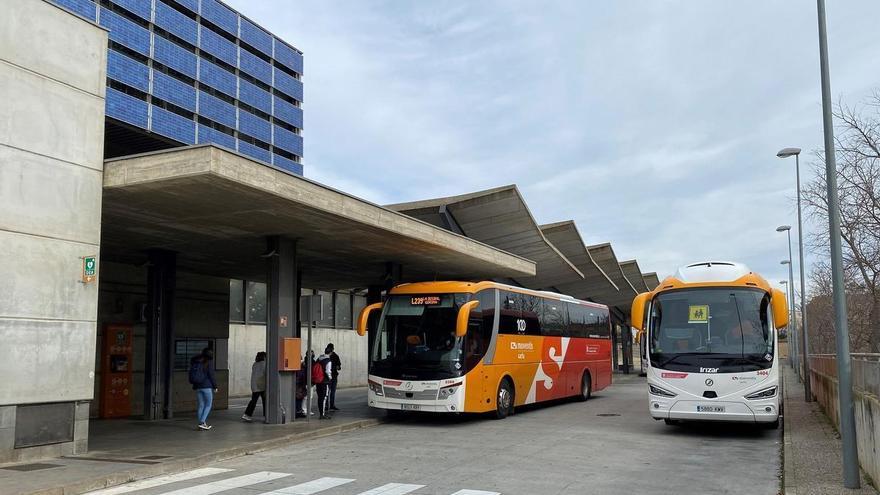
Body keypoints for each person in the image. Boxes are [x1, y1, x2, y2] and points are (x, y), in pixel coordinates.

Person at [189, 348, 218, 430]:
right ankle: (202, 422)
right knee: (208, 405)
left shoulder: (195, 361)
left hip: (198, 386)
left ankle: (201, 424)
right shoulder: (208, 362)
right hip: (207, 387)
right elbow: (211, 375)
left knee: (201, 405)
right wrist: (215, 386)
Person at [241, 351, 267, 422]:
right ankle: (266, 416)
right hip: (261, 385)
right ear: (264, 357)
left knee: (253, 401)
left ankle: (246, 415)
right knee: (265, 401)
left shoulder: (255, 364)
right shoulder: (264, 364)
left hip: (254, 385)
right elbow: (266, 374)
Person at [315, 349, 333, 419]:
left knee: (320, 397)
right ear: (331, 352)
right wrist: (330, 378)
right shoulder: (328, 361)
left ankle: (321, 413)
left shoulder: (319, 359)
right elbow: (328, 371)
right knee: (324, 398)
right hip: (324, 381)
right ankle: (322, 414)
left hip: (318, 381)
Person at [325, 344, 342, 411]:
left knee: (327, 392)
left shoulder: (326, 357)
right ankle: (331, 405)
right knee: (332, 391)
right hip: (333, 376)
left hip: (328, 377)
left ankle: (326, 405)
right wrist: (337, 367)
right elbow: (339, 367)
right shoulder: (335, 356)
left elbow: (339, 366)